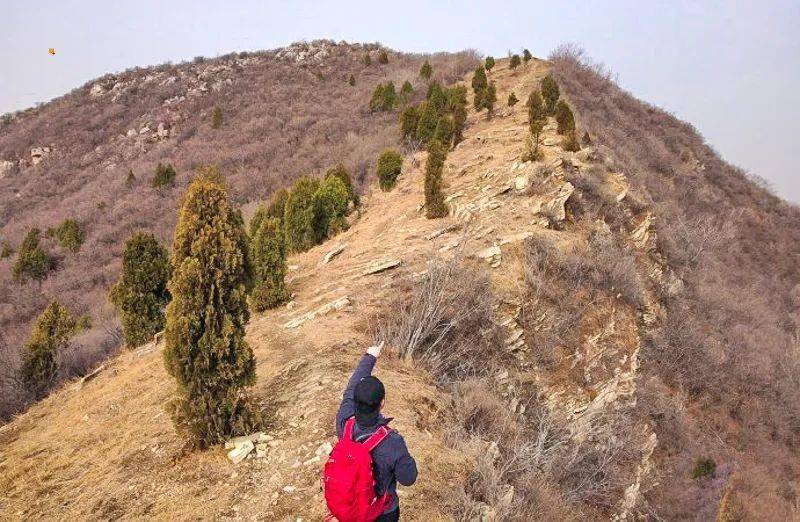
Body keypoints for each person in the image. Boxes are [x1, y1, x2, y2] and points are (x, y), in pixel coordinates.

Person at [335, 341, 418, 521]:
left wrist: (370, 356)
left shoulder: (344, 422)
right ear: (382, 403)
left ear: (354, 400)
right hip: (382, 513)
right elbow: (408, 479)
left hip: (351, 506)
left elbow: (351, 388)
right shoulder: (392, 442)